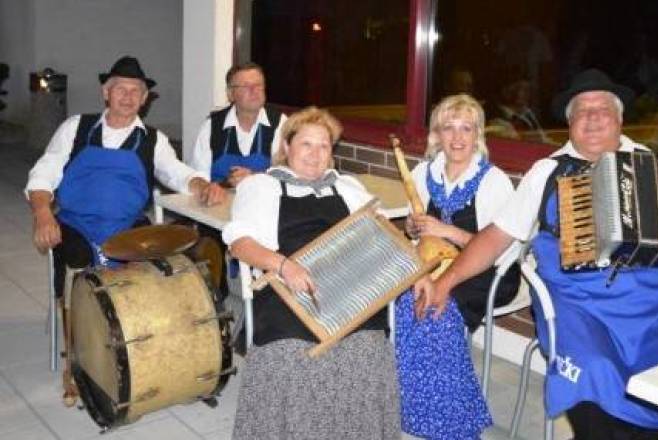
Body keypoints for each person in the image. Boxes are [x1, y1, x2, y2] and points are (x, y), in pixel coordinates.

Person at [420, 69, 658, 440]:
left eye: (602, 108)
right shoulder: (546, 173)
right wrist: (447, 280)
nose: (592, 117)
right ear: (570, 124)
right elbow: (495, 236)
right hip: (578, 307)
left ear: (619, 118)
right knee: (595, 381)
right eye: (581, 111)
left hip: (652, 308)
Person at [223, 107, 400, 440]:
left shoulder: (347, 186)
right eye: (306, 144)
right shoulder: (262, 186)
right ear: (286, 146)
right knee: (291, 353)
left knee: (367, 347)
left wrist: (418, 273)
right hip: (286, 291)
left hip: (350, 295)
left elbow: (386, 235)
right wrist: (284, 265)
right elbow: (240, 244)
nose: (315, 154)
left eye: (324, 146)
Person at [27, 56, 225, 297]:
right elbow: (43, 173)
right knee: (79, 278)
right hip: (75, 224)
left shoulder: (153, 140)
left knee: (161, 273)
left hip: (128, 226)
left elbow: (177, 173)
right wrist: (42, 213)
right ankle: (73, 315)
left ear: (144, 98)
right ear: (106, 92)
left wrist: (203, 186)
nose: (128, 97)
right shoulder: (75, 127)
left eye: (135, 91)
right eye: (121, 89)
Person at [395, 94, 517, 439]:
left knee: (437, 313)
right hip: (434, 263)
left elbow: (501, 248)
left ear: (478, 135)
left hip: (487, 272)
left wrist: (445, 231)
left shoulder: (493, 180)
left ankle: (455, 424)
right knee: (401, 304)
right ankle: (417, 411)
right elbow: (415, 230)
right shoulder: (424, 172)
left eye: (467, 128)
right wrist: (415, 227)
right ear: (437, 135)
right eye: (449, 128)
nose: (458, 137)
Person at [189, 62, 287, 188]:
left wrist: (254, 177)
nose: (254, 91)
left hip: (264, 197)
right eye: (246, 86)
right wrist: (224, 184)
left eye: (258, 85)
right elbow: (198, 176)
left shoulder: (280, 123)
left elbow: (288, 175)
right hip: (219, 198)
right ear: (231, 94)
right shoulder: (212, 126)